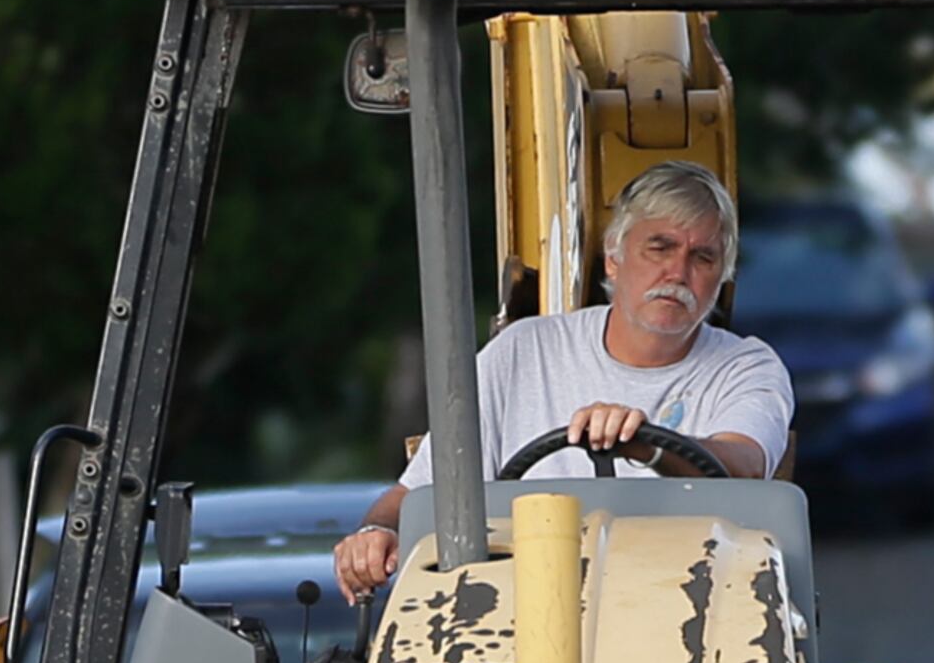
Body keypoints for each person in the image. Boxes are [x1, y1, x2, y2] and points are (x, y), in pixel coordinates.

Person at [333, 160, 795, 602]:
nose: (677, 273)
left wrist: (652, 447)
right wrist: (376, 534)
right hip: (514, 615)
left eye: (703, 257)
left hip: (691, 607)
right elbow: (418, 492)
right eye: (660, 247)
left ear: (722, 276)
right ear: (613, 259)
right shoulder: (522, 352)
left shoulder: (747, 367)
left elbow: (744, 464)